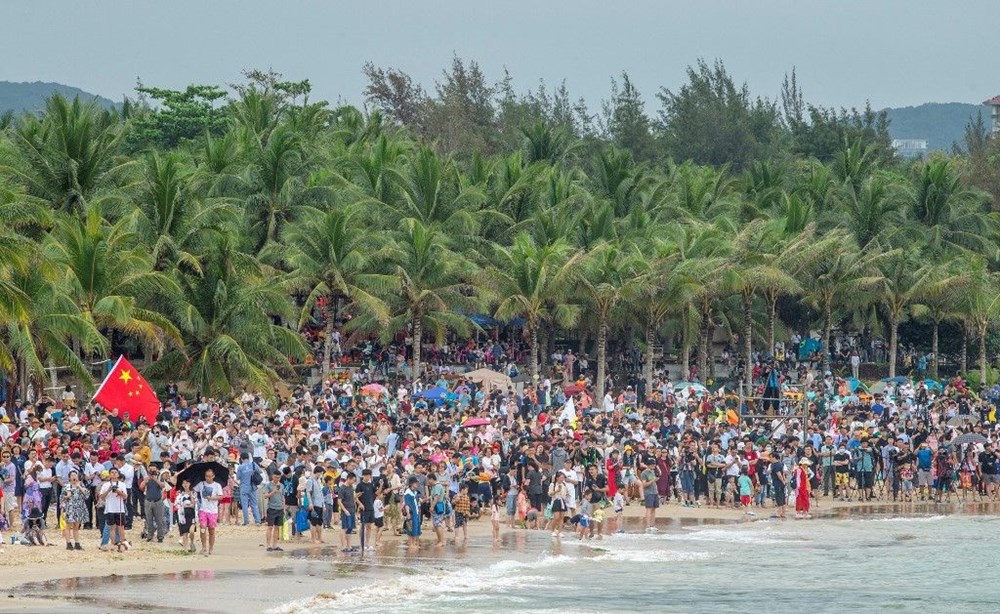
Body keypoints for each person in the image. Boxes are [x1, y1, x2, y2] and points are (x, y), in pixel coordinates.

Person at [99, 467, 129, 552]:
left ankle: (122, 543)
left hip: (120, 509)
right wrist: (109, 490)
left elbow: (125, 496)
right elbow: (101, 497)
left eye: (116, 472)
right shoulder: (105, 485)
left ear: (118, 474)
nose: (114, 474)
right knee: (112, 527)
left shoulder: (122, 484)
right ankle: (113, 544)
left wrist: (118, 492)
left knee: (121, 528)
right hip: (110, 509)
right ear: (109, 474)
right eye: (112, 472)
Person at [196, 468, 224, 555]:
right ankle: (204, 547)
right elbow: (193, 488)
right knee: (202, 529)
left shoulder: (217, 485)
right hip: (203, 509)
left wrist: (211, 498)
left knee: (211, 530)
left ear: (213, 476)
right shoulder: (201, 484)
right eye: (206, 476)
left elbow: (221, 496)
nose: (208, 478)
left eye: (210, 476)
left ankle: (211, 548)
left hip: (213, 510)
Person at [60, 469, 87, 550]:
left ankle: (77, 543)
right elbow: (61, 498)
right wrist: (66, 496)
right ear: (69, 478)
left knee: (76, 526)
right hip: (69, 508)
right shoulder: (66, 486)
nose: (74, 477)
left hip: (79, 508)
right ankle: (68, 543)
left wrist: (79, 486)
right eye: (72, 475)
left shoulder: (81, 485)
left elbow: (87, 495)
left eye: (75, 475)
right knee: (68, 526)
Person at [141, 468, 168, 542]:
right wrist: (146, 480)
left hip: (158, 501)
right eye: (151, 472)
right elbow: (141, 486)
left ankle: (160, 536)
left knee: (159, 519)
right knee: (149, 519)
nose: (152, 474)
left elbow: (163, 486)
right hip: (148, 501)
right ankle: (150, 535)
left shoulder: (160, 478)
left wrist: (156, 479)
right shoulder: (147, 478)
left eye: (154, 472)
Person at [236, 453, 262, 526]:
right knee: (254, 504)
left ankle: (246, 522)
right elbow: (260, 471)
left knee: (244, 505)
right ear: (248, 458)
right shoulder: (253, 464)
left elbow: (238, 477)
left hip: (244, 487)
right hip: (252, 486)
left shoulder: (240, 467)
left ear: (241, 459)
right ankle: (258, 521)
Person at [336, 472, 359, 552]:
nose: (354, 482)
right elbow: (339, 501)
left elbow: (353, 497)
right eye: (353, 480)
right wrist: (345, 510)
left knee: (350, 528)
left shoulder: (351, 487)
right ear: (348, 479)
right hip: (346, 511)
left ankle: (349, 546)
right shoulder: (342, 488)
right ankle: (343, 546)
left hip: (352, 510)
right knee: (344, 528)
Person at [263, 472, 285, 552]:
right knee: (270, 527)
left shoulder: (281, 485)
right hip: (271, 508)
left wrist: (284, 508)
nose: (277, 479)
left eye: (279, 477)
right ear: (272, 476)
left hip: (280, 508)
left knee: (277, 527)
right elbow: (265, 495)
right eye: (275, 477)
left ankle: (275, 545)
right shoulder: (268, 485)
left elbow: (283, 496)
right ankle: (268, 545)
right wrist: (273, 491)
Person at [175, 479, 199, 554]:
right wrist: (185, 505)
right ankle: (185, 549)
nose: (185, 484)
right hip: (182, 515)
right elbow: (178, 504)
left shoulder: (194, 493)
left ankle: (191, 542)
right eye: (184, 483)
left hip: (192, 514)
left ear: (190, 484)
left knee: (191, 531)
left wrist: (191, 496)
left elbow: (194, 504)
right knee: (185, 533)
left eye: (187, 483)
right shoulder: (180, 494)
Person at [356, 469, 377, 550]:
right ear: (363, 476)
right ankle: (362, 543)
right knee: (362, 526)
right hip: (363, 508)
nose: (368, 477)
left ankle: (367, 543)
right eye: (366, 475)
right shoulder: (360, 485)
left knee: (369, 526)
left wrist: (381, 486)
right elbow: (356, 497)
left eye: (369, 475)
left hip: (371, 507)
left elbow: (376, 493)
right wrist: (360, 504)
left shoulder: (371, 484)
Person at [547, 471, 570, 539]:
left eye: (563, 478)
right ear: (557, 478)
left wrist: (566, 496)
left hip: (562, 501)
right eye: (561, 478)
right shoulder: (552, 484)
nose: (562, 479)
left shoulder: (564, 484)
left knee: (561, 517)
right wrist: (557, 491)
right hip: (556, 500)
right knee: (556, 517)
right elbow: (550, 494)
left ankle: (560, 531)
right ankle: (553, 530)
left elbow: (566, 493)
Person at [639, 461, 659, 530]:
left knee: (654, 509)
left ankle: (652, 525)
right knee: (649, 509)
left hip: (655, 492)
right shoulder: (644, 473)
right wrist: (652, 481)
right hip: (648, 493)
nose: (654, 465)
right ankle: (647, 526)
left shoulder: (653, 471)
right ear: (648, 465)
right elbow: (644, 485)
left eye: (654, 464)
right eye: (653, 464)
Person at [402, 477, 421, 550]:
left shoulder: (414, 492)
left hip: (415, 512)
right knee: (410, 528)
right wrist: (408, 514)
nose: (417, 484)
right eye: (416, 483)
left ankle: (413, 543)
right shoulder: (408, 492)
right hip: (411, 513)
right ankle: (411, 544)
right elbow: (407, 504)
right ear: (411, 484)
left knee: (415, 528)